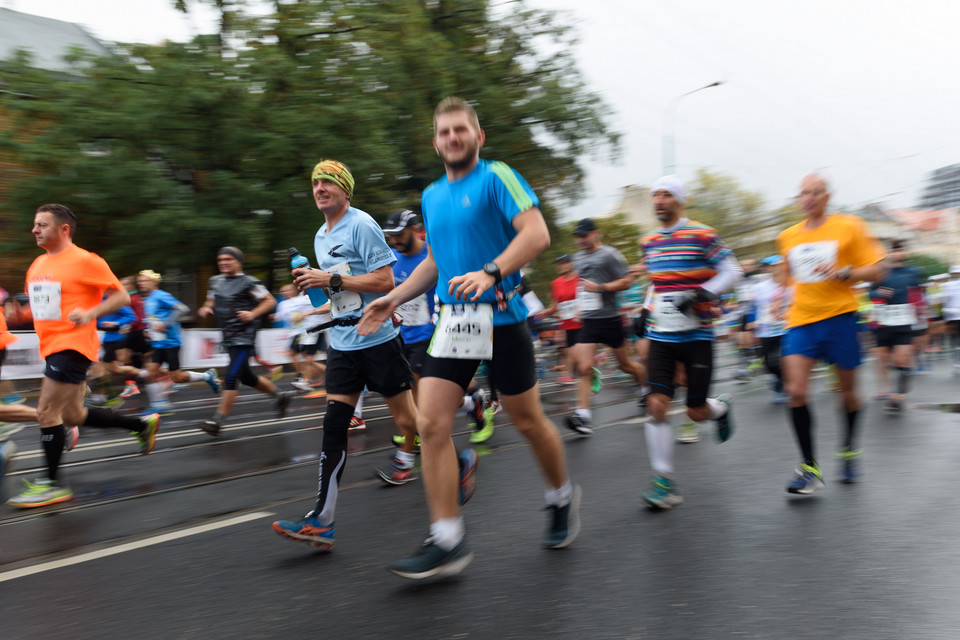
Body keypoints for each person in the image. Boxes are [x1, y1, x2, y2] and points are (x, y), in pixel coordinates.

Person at [359, 97, 580, 579]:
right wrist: (392, 298)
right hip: (454, 323)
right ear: (435, 141)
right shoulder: (432, 196)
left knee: (527, 421)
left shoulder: (497, 177)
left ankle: (561, 496)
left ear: (477, 137)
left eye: (460, 130)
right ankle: (447, 539)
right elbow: (435, 262)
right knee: (432, 425)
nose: (452, 138)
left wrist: (491, 271)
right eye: (444, 132)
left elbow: (536, 234)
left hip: (503, 321)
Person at [271, 159, 421, 549]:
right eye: (315, 183)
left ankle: (457, 466)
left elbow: (385, 281)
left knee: (410, 421)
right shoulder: (321, 235)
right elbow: (344, 291)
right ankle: (323, 520)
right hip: (343, 344)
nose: (319, 188)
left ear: (345, 189)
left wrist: (330, 278)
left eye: (328, 182)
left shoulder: (362, 224)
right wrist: (319, 293)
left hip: (379, 340)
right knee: (334, 426)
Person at [9, 204, 160, 508]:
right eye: (34, 224)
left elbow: (119, 295)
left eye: (42, 225)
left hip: (73, 345)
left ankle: (52, 484)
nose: (34, 230)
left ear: (64, 229)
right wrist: (19, 314)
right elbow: (43, 309)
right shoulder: (37, 265)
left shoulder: (86, 260)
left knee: (46, 413)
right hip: (51, 346)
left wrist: (91, 312)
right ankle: (141, 425)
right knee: (73, 416)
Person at [777, 174, 885, 493]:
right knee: (795, 391)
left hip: (841, 317)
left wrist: (844, 272)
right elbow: (786, 277)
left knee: (848, 393)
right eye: (802, 194)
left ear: (827, 196)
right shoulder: (787, 236)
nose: (807, 198)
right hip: (801, 320)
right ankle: (809, 467)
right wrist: (776, 298)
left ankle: (849, 449)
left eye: (814, 193)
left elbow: (878, 269)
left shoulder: (849, 226)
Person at [639, 175, 742, 509]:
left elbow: (732, 271)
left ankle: (721, 407)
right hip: (661, 334)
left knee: (695, 412)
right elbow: (657, 281)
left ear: (679, 201)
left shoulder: (702, 234)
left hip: (697, 334)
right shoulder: (650, 241)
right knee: (656, 404)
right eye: (655, 195)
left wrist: (701, 293)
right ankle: (663, 481)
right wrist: (644, 309)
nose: (659, 201)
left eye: (666, 195)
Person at [196, 247, 294, 436]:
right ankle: (280, 396)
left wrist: (252, 313)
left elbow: (269, 301)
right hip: (228, 335)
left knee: (232, 376)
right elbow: (211, 301)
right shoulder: (215, 281)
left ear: (238, 261)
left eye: (228, 259)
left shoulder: (249, 282)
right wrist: (205, 308)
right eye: (220, 260)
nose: (223, 263)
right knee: (247, 376)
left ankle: (218, 421)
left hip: (244, 336)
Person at [566, 218, 647, 435]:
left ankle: (646, 388)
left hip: (610, 319)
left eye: (585, 235)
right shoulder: (577, 257)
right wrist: (579, 306)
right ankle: (582, 416)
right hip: (590, 320)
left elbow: (626, 281)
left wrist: (601, 288)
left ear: (596, 234)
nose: (581, 240)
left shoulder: (610, 254)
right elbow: (582, 284)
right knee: (583, 367)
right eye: (578, 236)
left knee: (625, 365)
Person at [138, 269, 220, 413]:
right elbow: (153, 318)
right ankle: (160, 404)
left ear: (154, 282)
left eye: (145, 280)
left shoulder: (161, 295)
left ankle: (207, 376)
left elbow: (182, 308)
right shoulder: (148, 299)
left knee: (176, 377)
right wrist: (148, 330)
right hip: (158, 343)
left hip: (171, 342)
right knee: (150, 373)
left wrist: (165, 324)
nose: (141, 283)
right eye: (140, 281)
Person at [869, 240, 923, 412]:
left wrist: (920, 320)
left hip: (903, 322)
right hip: (884, 322)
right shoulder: (882, 272)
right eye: (895, 251)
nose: (898, 254)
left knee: (902, 358)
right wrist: (879, 293)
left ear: (905, 253)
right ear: (890, 254)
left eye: (900, 251)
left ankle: (897, 397)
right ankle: (904, 373)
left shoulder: (913, 272)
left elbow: (920, 294)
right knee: (884, 360)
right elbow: (870, 292)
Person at [536, 255, 583, 385]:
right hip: (564, 323)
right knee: (565, 350)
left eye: (564, 263)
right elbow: (555, 305)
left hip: (580, 322)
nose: (560, 266)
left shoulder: (580, 280)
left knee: (576, 351)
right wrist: (545, 312)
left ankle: (588, 369)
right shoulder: (556, 283)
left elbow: (586, 298)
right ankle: (568, 376)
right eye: (559, 263)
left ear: (571, 264)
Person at [750, 255, 791, 404]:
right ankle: (781, 379)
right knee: (768, 364)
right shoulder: (760, 287)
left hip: (785, 329)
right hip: (766, 330)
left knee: (785, 360)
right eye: (768, 266)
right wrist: (752, 324)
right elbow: (754, 307)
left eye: (773, 265)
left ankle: (782, 386)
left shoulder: (790, 286)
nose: (770, 268)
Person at [273, 283, 328, 392]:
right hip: (307, 331)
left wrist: (307, 314)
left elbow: (327, 307)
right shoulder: (301, 297)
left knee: (309, 359)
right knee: (307, 358)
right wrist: (298, 317)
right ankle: (311, 380)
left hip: (314, 330)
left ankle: (310, 380)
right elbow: (296, 315)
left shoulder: (315, 296)